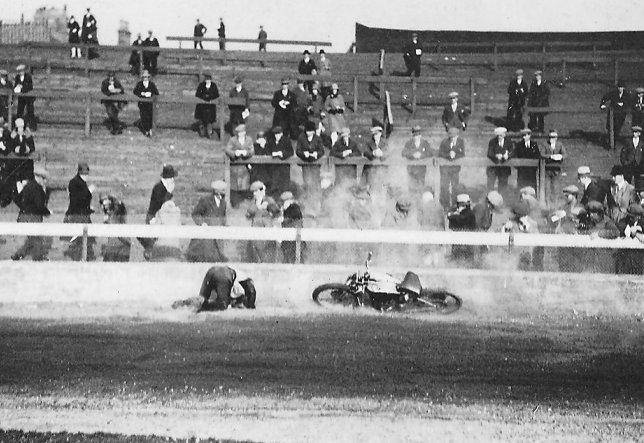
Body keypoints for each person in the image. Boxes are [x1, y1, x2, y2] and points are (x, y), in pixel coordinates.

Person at [11, 166, 51, 261]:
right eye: (44, 179)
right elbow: (39, 205)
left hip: (24, 216)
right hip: (32, 217)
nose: (45, 181)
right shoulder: (37, 189)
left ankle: (18, 256)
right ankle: (38, 257)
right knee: (36, 238)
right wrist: (47, 212)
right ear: (39, 177)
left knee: (32, 239)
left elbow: (18, 199)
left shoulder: (28, 186)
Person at [139, 164, 177, 260]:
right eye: (171, 177)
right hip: (154, 216)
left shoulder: (164, 187)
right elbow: (161, 203)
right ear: (167, 178)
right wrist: (169, 192)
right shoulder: (159, 187)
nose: (173, 180)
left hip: (160, 216)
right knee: (152, 242)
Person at [186, 180, 228, 263]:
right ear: (216, 191)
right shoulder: (205, 200)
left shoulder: (223, 203)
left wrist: (224, 226)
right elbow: (195, 214)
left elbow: (223, 217)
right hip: (206, 236)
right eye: (223, 190)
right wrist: (202, 223)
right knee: (204, 257)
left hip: (218, 236)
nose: (225, 192)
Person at [62, 162, 96, 261]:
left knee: (84, 238)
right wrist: (88, 191)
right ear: (79, 173)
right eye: (83, 174)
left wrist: (89, 208)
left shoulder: (80, 182)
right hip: (77, 215)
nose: (85, 176)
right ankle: (79, 256)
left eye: (86, 174)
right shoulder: (74, 182)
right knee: (79, 238)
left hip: (82, 214)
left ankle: (86, 256)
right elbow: (76, 200)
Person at [245, 181, 279, 262]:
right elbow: (248, 215)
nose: (254, 194)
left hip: (266, 231)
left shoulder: (269, 200)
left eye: (256, 191)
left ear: (261, 191)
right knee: (256, 252)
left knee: (267, 254)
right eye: (253, 192)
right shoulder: (254, 202)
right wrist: (258, 207)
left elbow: (277, 213)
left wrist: (268, 210)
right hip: (255, 231)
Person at [224, 124, 254, 207]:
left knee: (244, 185)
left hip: (245, 167)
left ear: (244, 132)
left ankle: (245, 203)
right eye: (239, 133)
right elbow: (227, 149)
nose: (240, 134)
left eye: (242, 132)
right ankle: (235, 203)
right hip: (235, 167)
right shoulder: (233, 140)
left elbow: (252, 150)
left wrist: (246, 153)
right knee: (234, 186)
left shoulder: (249, 140)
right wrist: (235, 153)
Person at [296, 120, 325, 198]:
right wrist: (303, 154)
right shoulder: (301, 137)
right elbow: (298, 150)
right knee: (307, 181)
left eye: (310, 131)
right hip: (305, 163)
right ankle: (308, 197)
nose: (308, 133)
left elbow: (322, 151)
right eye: (307, 131)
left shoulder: (318, 138)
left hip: (315, 164)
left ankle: (317, 197)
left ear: (313, 131)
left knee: (315, 181)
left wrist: (316, 154)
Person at [438, 126, 465, 207]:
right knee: (444, 187)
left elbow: (462, 154)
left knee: (455, 187)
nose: (452, 138)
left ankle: (454, 204)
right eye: (451, 137)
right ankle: (445, 205)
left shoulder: (461, 142)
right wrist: (448, 155)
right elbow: (440, 154)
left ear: (457, 135)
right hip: (445, 169)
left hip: (455, 169)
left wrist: (455, 155)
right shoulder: (444, 142)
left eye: (454, 137)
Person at [99, 194, 130, 262]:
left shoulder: (119, 213)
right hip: (112, 249)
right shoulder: (107, 219)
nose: (104, 208)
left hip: (121, 249)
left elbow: (120, 205)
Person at [402, 126, 433, 191]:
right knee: (411, 187)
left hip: (421, 169)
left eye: (418, 134)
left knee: (421, 187)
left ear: (420, 135)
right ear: (412, 135)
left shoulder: (425, 143)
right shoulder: (408, 143)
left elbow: (430, 153)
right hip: (411, 169)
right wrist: (412, 155)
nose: (417, 137)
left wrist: (421, 155)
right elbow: (403, 153)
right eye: (415, 135)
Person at [447, 193, 476, 260]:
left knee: (457, 260)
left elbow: (455, 222)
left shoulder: (466, 213)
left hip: (462, 242)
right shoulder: (469, 213)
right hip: (468, 242)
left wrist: (452, 215)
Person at [266, 125, 294, 195]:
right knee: (274, 185)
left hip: (284, 168)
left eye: (278, 134)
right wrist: (272, 154)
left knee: (284, 186)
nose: (277, 136)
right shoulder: (271, 141)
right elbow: (267, 151)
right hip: (274, 168)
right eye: (275, 134)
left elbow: (291, 152)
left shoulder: (286, 140)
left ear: (281, 134)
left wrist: (282, 153)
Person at [540, 130, 566, 204]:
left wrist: (560, 156)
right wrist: (551, 156)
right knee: (547, 187)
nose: (551, 139)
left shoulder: (560, 145)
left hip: (557, 169)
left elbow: (565, 154)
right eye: (550, 137)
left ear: (556, 138)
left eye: (553, 137)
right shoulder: (545, 145)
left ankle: (555, 203)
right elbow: (542, 154)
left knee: (555, 187)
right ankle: (547, 203)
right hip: (547, 169)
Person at [279, 191, 305, 263]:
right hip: (288, 238)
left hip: (295, 238)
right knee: (287, 256)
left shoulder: (294, 207)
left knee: (295, 256)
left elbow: (294, 216)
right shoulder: (286, 209)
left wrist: (283, 219)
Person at [133, 70, 159, 137]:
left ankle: (149, 130)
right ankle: (146, 130)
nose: (145, 78)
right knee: (144, 117)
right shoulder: (139, 84)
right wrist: (142, 93)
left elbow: (156, 93)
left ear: (148, 77)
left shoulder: (151, 84)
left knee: (150, 117)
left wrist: (151, 94)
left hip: (150, 104)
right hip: (142, 104)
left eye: (147, 77)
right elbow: (135, 91)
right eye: (144, 77)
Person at [486, 127, 512, 194]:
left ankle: (502, 201)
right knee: (490, 186)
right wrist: (496, 156)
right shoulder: (492, 141)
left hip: (504, 168)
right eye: (498, 135)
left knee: (503, 188)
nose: (499, 137)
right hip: (493, 168)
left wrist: (507, 156)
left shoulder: (509, 141)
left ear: (504, 135)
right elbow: (489, 153)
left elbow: (512, 152)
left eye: (501, 135)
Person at [194, 74, 219, 138]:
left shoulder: (213, 86)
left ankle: (209, 133)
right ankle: (202, 132)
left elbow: (216, 94)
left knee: (209, 120)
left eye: (209, 80)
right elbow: (197, 94)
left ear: (210, 80)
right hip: (202, 105)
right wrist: (203, 98)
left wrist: (211, 98)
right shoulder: (201, 85)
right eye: (206, 80)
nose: (207, 81)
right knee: (202, 119)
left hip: (211, 106)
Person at [14, 64, 36, 130]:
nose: (21, 72)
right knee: (19, 112)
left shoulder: (28, 77)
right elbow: (15, 85)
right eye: (19, 71)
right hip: (21, 97)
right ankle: (18, 126)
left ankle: (33, 127)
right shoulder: (17, 77)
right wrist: (17, 87)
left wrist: (22, 87)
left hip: (29, 97)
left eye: (22, 71)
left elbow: (30, 87)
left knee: (30, 112)